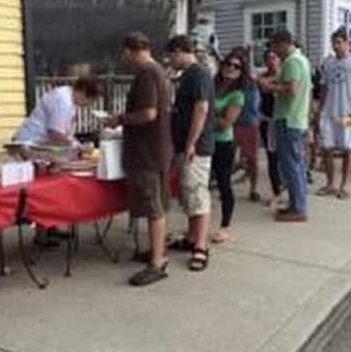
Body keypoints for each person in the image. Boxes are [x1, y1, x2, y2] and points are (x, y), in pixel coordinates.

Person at [105, 32, 172, 286]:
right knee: (157, 204)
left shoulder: (146, 73)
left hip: (147, 151)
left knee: (153, 206)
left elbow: (148, 113)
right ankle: (157, 251)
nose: (124, 58)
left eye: (124, 53)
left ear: (129, 50)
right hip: (158, 148)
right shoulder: (159, 71)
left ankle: (157, 262)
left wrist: (120, 119)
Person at [165, 35, 215, 272]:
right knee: (187, 194)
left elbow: (202, 108)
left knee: (197, 194)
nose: (170, 61)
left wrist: (191, 142)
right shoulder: (186, 76)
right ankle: (192, 237)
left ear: (180, 51)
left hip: (195, 145)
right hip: (183, 144)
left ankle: (201, 247)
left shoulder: (199, 74)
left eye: (171, 56)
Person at [316, 28, 351, 199]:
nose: (336, 46)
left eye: (339, 42)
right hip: (329, 112)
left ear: (347, 43)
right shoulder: (328, 62)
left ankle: (343, 186)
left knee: (348, 149)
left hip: (349, 113)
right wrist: (319, 109)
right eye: (334, 42)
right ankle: (330, 183)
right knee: (326, 148)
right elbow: (323, 87)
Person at [267, 30, 312, 222]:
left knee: (291, 166)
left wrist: (269, 87)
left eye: (275, 47)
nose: (275, 52)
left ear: (284, 43)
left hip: (289, 119)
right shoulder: (302, 59)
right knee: (297, 165)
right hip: (298, 118)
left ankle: (298, 208)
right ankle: (296, 203)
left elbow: (291, 89)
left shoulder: (292, 61)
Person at [210, 53, 247, 243]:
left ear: (241, 72)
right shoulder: (213, 86)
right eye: (228, 64)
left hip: (223, 142)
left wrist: (204, 118)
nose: (231, 68)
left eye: (236, 66)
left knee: (224, 183)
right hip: (205, 140)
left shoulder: (237, 94)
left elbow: (225, 123)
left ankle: (225, 225)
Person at [13, 77, 101, 145]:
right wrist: (76, 145)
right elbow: (55, 133)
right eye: (91, 100)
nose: (89, 105)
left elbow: (66, 132)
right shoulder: (63, 100)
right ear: (83, 92)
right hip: (30, 142)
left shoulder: (70, 101)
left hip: (39, 143)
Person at [257, 49, 284, 201]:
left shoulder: (284, 75)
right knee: (271, 156)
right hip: (267, 120)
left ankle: (286, 187)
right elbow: (263, 86)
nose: (271, 61)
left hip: (282, 120)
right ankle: (276, 190)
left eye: (274, 57)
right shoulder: (263, 77)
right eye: (268, 58)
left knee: (284, 156)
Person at [233, 75, 261, 202]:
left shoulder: (252, 83)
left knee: (252, 159)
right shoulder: (229, 83)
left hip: (248, 123)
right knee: (227, 158)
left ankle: (253, 189)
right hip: (234, 123)